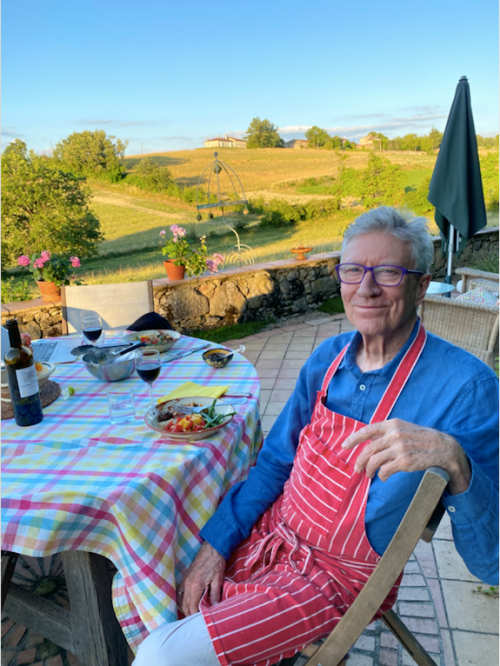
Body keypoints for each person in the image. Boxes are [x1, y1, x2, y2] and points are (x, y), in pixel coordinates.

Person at [134, 207, 499, 666]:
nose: (366, 288)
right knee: (149, 576)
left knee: (161, 656)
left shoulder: (468, 389)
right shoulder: (327, 358)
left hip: (334, 579)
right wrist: (217, 543)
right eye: (353, 270)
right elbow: (275, 463)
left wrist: (455, 461)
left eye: (388, 272)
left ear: (421, 286)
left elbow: (491, 562)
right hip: (274, 535)